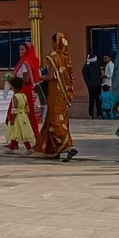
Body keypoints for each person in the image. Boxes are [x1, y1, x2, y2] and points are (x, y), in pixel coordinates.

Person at [34, 32, 78, 161]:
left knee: (55, 120)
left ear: (55, 43)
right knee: (58, 120)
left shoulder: (53, 57)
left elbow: (51, 76)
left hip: (55, 93)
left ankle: (69, 147)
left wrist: (38, 77)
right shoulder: (67, 58)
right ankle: (54, 149)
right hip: (65, 95)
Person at [12, 41, 42, 138]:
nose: (20, 51)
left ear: (28, 50)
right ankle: (15, 140)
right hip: (24, 90)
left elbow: (26, 79)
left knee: (18, 114)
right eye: (19, 49)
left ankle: (32, 137)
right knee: (18, 115)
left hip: (24, 91)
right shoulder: (27, 61)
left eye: (23, 49)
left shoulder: (25, 63)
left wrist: (13, 80)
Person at [4, 76, 35, 152]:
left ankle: (12, 148)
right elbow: (27, 108)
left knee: (15, 132)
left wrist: (12, 119)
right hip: (24, 116)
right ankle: (28, 148)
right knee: (22, 132)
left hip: (17, 117)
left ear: (14, 87)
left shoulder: (15, 97)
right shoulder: (24, 96)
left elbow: (14, 109)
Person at [82, 51, 103, 119]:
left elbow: (99, 74)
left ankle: (99, 113)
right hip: (91, 86)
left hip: (98, 85)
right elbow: (86, 78)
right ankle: (90, 114)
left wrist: (99, 82)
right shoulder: (86, 67)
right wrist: (89, 85)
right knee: (91, 100)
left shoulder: (96, 65)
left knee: (98, 100)